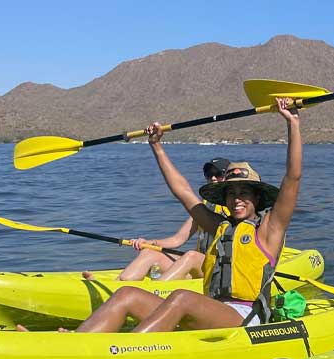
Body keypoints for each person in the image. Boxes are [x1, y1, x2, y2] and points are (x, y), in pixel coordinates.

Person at [31, 97, 303, 333]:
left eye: (245, 193)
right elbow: (182, 191)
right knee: (126, 294)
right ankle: (79, 343)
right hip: (208, 311)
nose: (237, 199)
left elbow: (292, 178)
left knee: (182, 297)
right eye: (231, 193)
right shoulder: (218, 226)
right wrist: (157, 147)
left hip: (245, 318)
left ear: (257, 198)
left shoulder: (269, 229)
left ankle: (123, 351)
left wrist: (292, 123)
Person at [89, 159, 229, 282]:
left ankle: (156, 290)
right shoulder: (204, 207)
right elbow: (177, 240)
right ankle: (118, 284)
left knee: (191, 255)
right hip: (201, 266)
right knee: (150, 252)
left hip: (219, 270)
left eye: (218, 174)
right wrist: (150, 243)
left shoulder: (236, 208)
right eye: (209, 174)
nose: (213, 178)